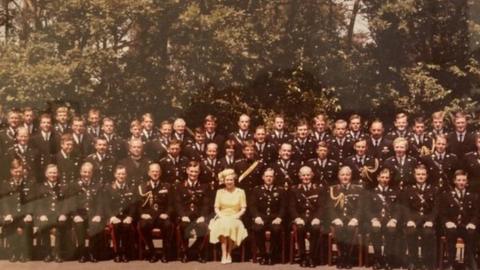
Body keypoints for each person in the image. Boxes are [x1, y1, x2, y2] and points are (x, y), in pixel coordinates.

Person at [439, 170, 478, 270]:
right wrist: (447, 222)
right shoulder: (447, 196)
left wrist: (473, 223)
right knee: (451, 234)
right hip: (453, 225)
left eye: (464, 180)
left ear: (467, 182)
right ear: (454, 181)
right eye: (459, 180)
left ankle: (468, 263)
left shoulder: (473, 196)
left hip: (466, 225)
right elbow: (442, 213)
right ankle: (451, 264)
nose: (461, 182)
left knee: (471, 233)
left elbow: (476, 213)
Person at [209, 168, 248, 264]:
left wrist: (236, 216)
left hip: (235, 217)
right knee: (224, 225)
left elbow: (243, 208)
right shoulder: (219, 192)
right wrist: (221, 215)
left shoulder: (240, 192)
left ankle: (229, 253)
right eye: (227, 180)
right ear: (224, 181)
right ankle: (224, 253)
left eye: (231, 180)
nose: (229, 182)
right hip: (221, 216)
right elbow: (216, 208)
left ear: (234, 180)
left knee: (230, 225)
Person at [402, 164, 437, 270]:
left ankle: (426, 263)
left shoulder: (434, 189)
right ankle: (413, 261)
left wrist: (431, 220)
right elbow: (405, 207)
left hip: (427, 221)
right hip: (413, 220)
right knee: (410, 232)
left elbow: (436, 208)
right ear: (414, 175)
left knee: (428, 233)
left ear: (427, 176)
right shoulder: (408, 190)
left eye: (423, 174)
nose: (421, 176)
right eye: (418, 174)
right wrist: (409, 220)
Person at [289, 166, 326, 267]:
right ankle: (303, 257)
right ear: (300, 176)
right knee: (300, 229)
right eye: (303, 175)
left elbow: (322, 207)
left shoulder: (319, 189)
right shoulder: (294, 190)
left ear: (312, 175)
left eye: (308, 175)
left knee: (315, 229)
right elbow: (292, 207)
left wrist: (318, 218)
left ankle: (313, 257)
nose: (306, 177)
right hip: (300, 218)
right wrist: (297, 218)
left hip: (314, 218)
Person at [137, 163, 174, 263]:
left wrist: (167, 214)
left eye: (157, 171)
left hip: (161, 216)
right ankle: (152, 252)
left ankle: (164, 253)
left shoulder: (166, 186)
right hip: (148, 216)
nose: (155, 173)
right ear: (149, 173)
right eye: (153, 171)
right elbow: (138, 204)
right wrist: (142, 214)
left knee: (168, 225)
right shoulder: (143, 187)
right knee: (143, 225)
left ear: (160, 173)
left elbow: (171, 204)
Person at [249, 168, 286, 265]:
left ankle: (272, 255)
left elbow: (283, 206)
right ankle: (263, 254)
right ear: (263, 178)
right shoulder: (256, 190)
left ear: (274, 178)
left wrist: (279, 217)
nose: (269, 178)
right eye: (267, 176)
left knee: (276, 230)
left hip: (274, 218)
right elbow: (252, 206)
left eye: (271, 176)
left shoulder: (280, 190)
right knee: (257, 229)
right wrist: (256, 217)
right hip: (261, 217)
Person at [328, 166, 363, 269]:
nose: (345, 177)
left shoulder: (358, 189)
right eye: (342, 175)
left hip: (352, 219)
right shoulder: (333, 189)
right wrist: (335, 218)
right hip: (338, 219)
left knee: (351, 229)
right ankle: (341, 256)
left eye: (347, 175)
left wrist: (355, 218)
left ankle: (348, 257)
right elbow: (329, 207)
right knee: (338, 229)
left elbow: (361, 207)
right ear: (339, 176)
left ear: (351, 176)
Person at [175, 161, 210, 263]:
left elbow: (206, 204)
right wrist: (182, 215)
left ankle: (198, 252)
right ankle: (185, 252)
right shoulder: (180, 186)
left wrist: (203, 216)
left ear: (199, 172)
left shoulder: (205, 186)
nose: (193, 174)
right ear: (187, 171)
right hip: (185, 216)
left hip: (198, 216)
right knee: (183, 226)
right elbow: (177, 203)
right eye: (191, 171)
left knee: (203, 226)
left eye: (196, 171)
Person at [365, 168, 400, 270]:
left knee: (391, 230)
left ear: (389, 179)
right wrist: (373, 219)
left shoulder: (395, 192)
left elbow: (398, 209)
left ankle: (388, 260)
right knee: (375, 230)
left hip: (389, 221)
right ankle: (378, 260)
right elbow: (367, 209)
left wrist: (394, 220)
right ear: (378, 178)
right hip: (376, 221)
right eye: (382, 177)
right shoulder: (371, 192)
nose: (384, 179)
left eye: (387, 177)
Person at [70, 162, 104, 263]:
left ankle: (92, 253)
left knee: (95, 225)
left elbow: (100, 202)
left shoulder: (97, 185)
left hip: (93, 215)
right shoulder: (74, 185)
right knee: (79, 225)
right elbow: (71, 203)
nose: (86, 174)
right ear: (81, 172)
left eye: (89, 172)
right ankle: (82, 253)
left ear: (92, 173)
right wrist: (75, 215)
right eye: (84, 172)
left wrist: (98, 215)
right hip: (80, 215)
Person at [1, 159, 34, 262]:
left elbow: (31, 201)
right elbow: (4, 202)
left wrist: (29, 214)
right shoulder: (5, 184)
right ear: (11, 171)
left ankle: (24, 253)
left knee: (27, 224)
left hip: (24, 215)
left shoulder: (28, 184)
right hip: (11, 215)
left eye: (20, 171)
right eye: (16, 171)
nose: (18, 174)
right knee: (9, 225)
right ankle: (13, 253)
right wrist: (7, 214)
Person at [35, 164, 68, 262]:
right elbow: (38, 203)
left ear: (58, 174)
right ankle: (47, 254)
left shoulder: (63, 187)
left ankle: (57, 254)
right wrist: (41, 215)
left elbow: (66, 202)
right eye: (50, 172)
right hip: (45, 215)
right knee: (44, 227)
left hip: (59, 215)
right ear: (46, 174)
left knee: (59, 228)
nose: (52, 175)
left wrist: (64, 214)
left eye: (54, 172)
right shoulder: (40, 187)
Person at [105, 165, 135, 263]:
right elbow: (106, 205)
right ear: (115, 175)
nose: (121, 176)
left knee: (126, 227)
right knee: (116, 226)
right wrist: (112, 217)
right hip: (114, 216)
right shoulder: (109, 188)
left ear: (126, 175)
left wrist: (130, 216)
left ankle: (125, 253)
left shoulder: (131, 187)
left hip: (126, 216)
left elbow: (133, 205)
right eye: (119, 174)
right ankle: (117, 253)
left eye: (123, 174)